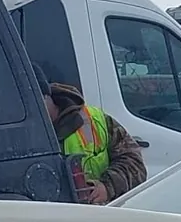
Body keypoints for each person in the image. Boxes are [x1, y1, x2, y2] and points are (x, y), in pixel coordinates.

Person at [32, 65, 146, 203]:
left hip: (97, 213)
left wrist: (107, 186)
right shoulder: (19, 135)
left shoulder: (94, 121)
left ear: (46, 96)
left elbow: (135, 164)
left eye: (34, 103)